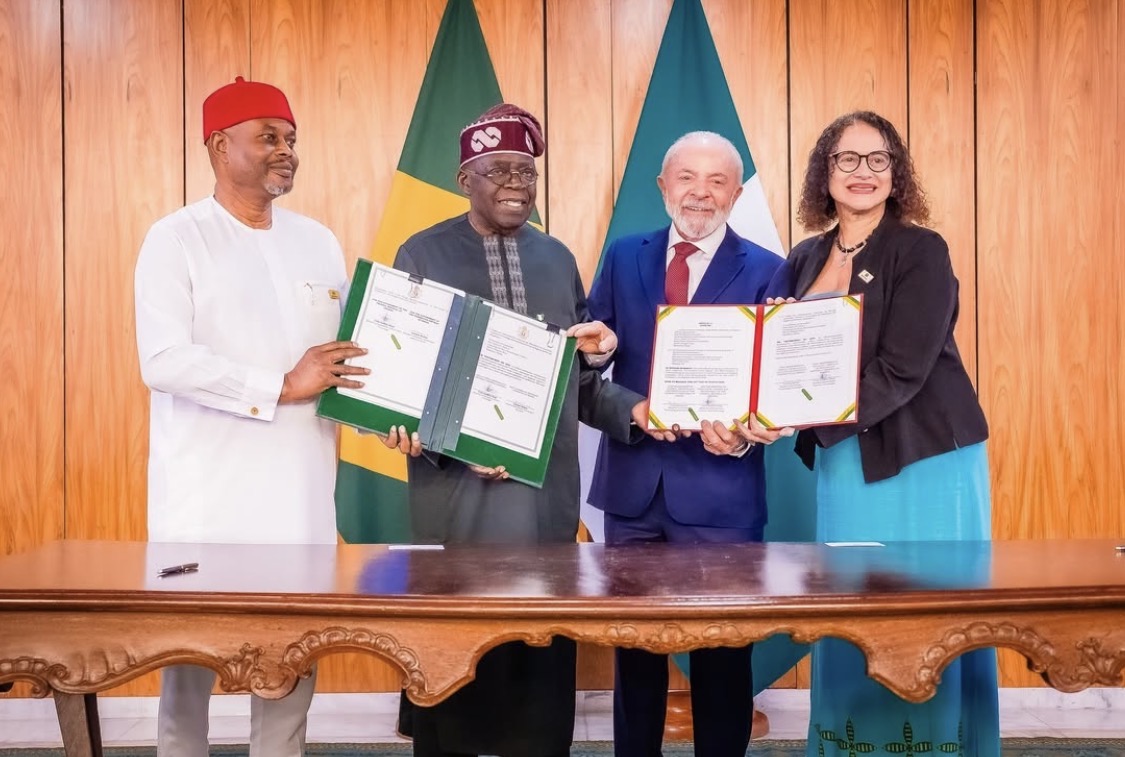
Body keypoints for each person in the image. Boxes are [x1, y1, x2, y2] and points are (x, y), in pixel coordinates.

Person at [380, 103, 655, 757]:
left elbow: (579, 383)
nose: (517, 184)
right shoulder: (420, 253)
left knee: (537, 713)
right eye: (499, 169)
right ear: (462, 177)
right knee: (452, 695)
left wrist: (633, 412)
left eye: (527, 172)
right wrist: (432, 435)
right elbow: (399, 379)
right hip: (455, 511)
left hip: (543, 511)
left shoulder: (557, 258)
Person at [134, 76, 369, 757]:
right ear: (219, 145)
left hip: (299, 498)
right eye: (268, 136)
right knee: (188, 666)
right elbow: (164, 361)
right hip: (206, 503)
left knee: (291, 659)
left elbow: (345, 361)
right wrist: (280, 383)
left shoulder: (318, 242)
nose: (285, 151)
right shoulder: (175, 240)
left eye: (291, 139)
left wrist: (384, 411)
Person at [757, 111, 999, 756]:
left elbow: (903, 367)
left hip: (924, 457)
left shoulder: (921, 250)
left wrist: (796, 417)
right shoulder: (803, 257)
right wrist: (759, 412)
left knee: (927, 606)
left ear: (897, 172)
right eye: (847, 159)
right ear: (824, 172)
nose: (862, 173)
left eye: (877, 159)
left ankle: (941, 744)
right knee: (851, 600)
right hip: (846, 460)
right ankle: (849, 742)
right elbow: (774, 355)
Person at [585, 131, 783, 757]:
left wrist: (746, 435)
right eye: (687, 178)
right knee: (634, 654)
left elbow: (774, 388)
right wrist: (623, 390)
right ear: (663, 187)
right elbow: (588, 364)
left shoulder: (769, 270)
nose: (701, 192)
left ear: (736, 192)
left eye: (718, 180)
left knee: (724, 657)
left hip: (721, 493)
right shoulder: (622, 256)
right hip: (632, 489)